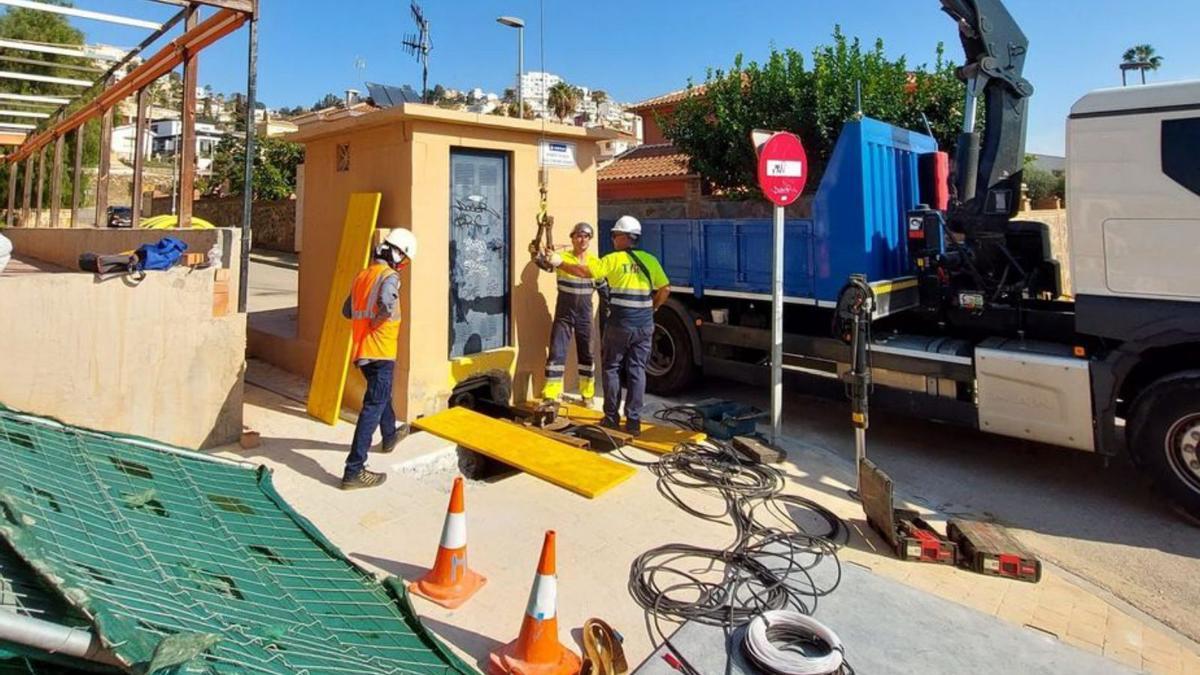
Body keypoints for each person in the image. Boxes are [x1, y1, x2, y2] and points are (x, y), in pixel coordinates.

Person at [549, 215, 669, 436]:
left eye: (614, 235)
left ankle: (612, 418)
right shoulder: (650, 260)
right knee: (637, 370)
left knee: (612, 368)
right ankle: (633, 422)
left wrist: (560, 263)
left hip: (620, 324)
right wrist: (653, 307)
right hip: (644, 325)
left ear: (624, 237)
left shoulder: (612, 260)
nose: (612, 239)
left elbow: (585, 272)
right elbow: (665, 289)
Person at [339, 228, 417, 490]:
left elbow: (347, 310)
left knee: (381, 395)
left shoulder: (363, 275)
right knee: (373, 405)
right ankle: (354, 469)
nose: (402, 264)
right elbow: (386, 303)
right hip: (380, 351)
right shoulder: (389, 276)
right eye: (403, 258)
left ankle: (390, 436)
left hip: (362, 350)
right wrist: (377, 320)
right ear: (396, 253)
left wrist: (367, 319)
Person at [541, 221, 607, 407]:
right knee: (556, 353)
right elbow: (545, 264)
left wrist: (611, 309)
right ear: (572, 238)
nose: (582, 240)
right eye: (578, 236)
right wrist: (540, 254)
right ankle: (550, 394)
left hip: (585, 316)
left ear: (590, 239)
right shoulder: (562, 258)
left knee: (587, 354)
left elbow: (604, 290)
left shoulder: (595, 263)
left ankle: (587, 394)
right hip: (564, 314)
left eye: (586, 236)